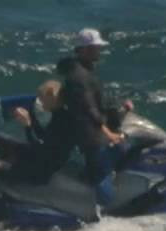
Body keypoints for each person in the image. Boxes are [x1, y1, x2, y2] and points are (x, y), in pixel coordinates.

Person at [56, 28, 135, 206]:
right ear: (83, 50)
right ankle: (102, 210)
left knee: (120, 152)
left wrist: (121, 109)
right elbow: (88, 110)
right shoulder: (79, 77)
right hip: (92, 137)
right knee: (101, 172)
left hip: (95, 133)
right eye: (95, 48)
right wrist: (109, 134)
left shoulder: (83, 71)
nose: (99, 51)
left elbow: (98, 103)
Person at [8, 79, 75, 184]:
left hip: (45, 166)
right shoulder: (60, 114)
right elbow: (44, 137)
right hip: (47, 158)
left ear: (51, 98)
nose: (40, 102)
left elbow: (40, 148)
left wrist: (28, 125)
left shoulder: (62, 122)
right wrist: (31, 118)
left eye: (42, 98)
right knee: (2, 140)